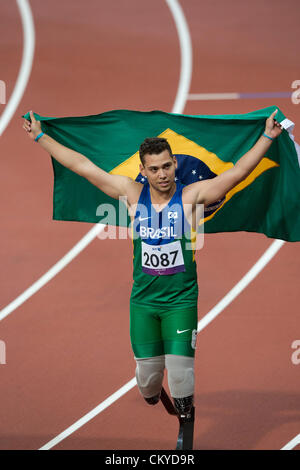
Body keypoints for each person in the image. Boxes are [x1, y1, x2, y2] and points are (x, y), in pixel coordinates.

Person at [23, 109, 282, 444]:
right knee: (148, 381)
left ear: (175, 164)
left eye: (168, 166)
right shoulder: (131, 195)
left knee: (181, 377)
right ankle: (151, 390)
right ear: (143, 170)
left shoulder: (191, 197)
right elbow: (81, 166)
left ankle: (185, 425)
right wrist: (40, 136)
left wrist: (267, 136)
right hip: (143, 303)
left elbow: (238, 173)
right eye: (155, 168)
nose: (163, 174)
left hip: (180, 301)